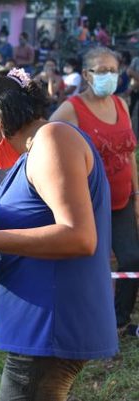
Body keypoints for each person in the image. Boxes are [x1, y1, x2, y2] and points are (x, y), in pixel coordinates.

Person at [0, 68, 118, 399]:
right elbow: (31, 231)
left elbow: (78, 236)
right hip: (40, 330)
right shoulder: (34, 153)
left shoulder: (52, 140)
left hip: (51, 326)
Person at [51, 47, 139, 337]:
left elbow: (130, 155)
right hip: (90, 203)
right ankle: (88, 321)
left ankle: (119, 318)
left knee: (131, 260)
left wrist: (136, 195)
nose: (109, 76)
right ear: (87, 75)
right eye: (101, 71)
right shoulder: (72, 108)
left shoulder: (121, 104)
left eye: (113, 70)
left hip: (123, 199)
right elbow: (46, 142)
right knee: (93, 264)